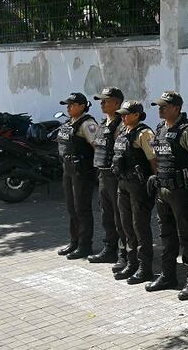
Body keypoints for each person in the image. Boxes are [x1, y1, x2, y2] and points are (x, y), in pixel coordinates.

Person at [145, 91, 188, 299]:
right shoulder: (160, 129)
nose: (160, 109)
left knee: (187, 236)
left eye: (164, 106)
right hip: (163, 191)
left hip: (182, 193)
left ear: (177, 108)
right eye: (159, 106)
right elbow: (159, 157)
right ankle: (168, 275)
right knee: (166, 235)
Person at [111, 101, 157, 285]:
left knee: (140, 227)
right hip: (123, 183)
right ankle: (132, 263)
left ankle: (145, 268)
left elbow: (153, 160)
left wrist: (154, 184)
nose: (122, 117)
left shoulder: (144, 134)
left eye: (126, 114)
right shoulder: (123, 131)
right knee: (126, 225)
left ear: (137, 115)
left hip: (138, 186)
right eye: (121, 114)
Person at [56, 92, 99, 260]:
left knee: (82, 209)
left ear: (82, 106)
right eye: (67, 105)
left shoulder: (88, 124)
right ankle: (74, 242)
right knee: (72, 208)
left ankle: (84, 246)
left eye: (72, 105)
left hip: (82, 172)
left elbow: (98, 147)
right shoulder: (69, 123)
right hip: (68, 170)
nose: (68, 108)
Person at [87, 86, 126, 267]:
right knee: (107, 215)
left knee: (121, 217)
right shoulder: (104, 123)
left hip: (116, 177)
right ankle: (110, 249)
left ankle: (124, 254)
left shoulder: (121, 124)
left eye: (106, 100)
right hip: (103, 175)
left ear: (117, 103)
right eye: (101, 100)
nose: (101, 103)